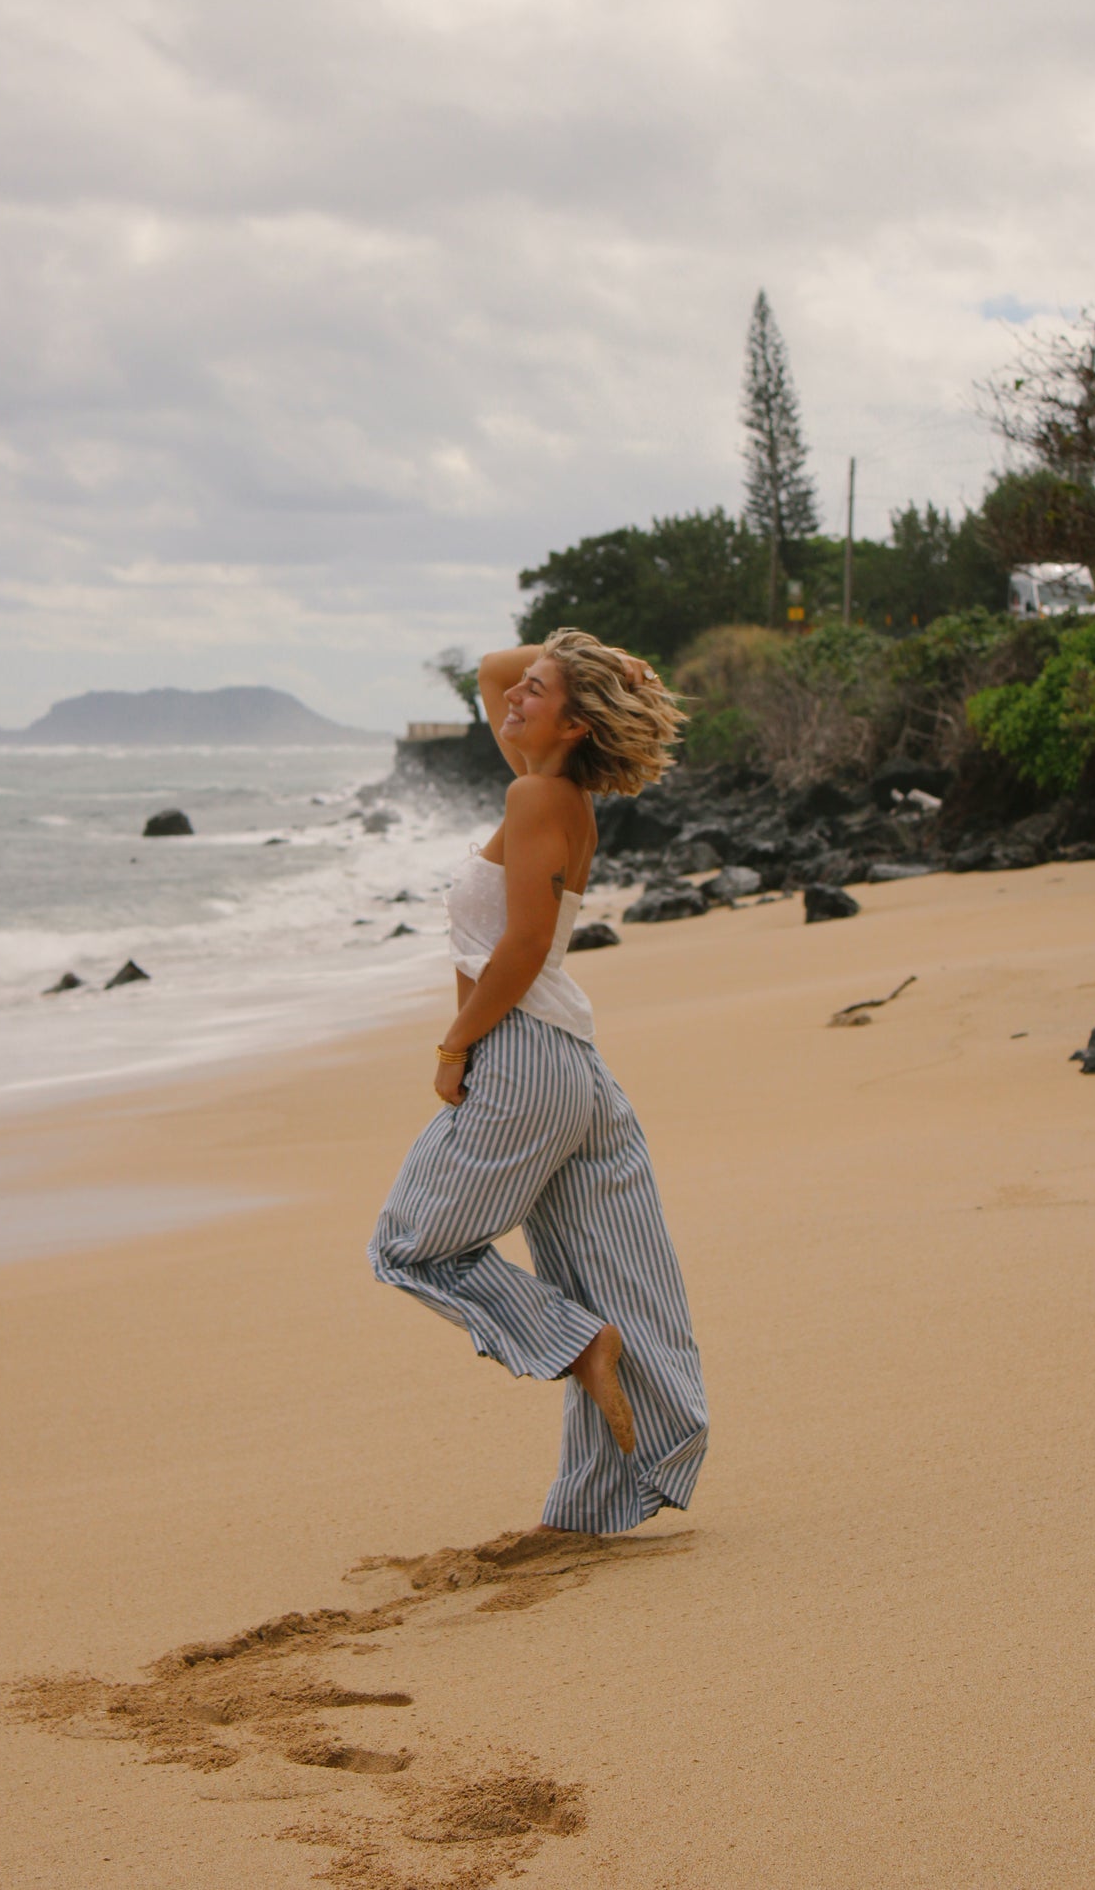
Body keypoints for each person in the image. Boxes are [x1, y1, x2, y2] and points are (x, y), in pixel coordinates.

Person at [368, 631, 709, 1534]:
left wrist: (453, 1049)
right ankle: (597, 1508)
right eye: (521, 687)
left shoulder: (531, 794)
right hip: (572, 1068)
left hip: (523, 1056)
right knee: (609, 1275)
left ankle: (573, 1341)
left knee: (409, 1245)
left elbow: (519, 947)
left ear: (573, 721)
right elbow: (492, 670)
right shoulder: (557, 788)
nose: (511, 694)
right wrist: (584, 658)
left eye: (537, 691)